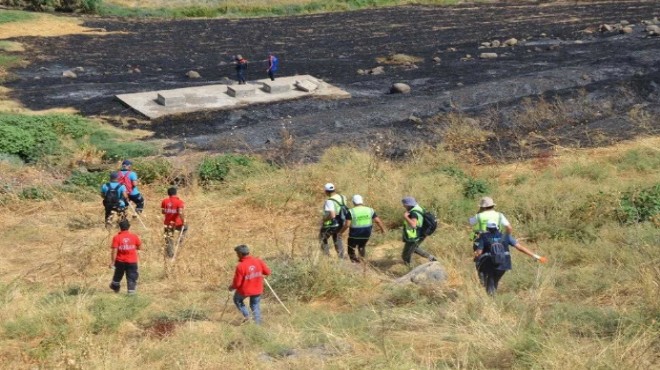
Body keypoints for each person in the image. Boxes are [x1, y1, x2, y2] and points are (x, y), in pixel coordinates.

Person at [474, 221, 547, 295]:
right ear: (498, 228)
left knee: (489, 284)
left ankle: (491, 301)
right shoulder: (506, 236)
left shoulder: (484, 237)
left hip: (490, 265)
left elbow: (479, 252)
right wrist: (537, 257)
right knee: (494, 282)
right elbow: (520, 248)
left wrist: (476, 256)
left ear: (487, 228)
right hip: (504, 264)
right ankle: (492, 296)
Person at [469, 196, 512, 284]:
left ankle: (483, 281)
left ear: (482, 207)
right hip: (497, 242)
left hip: (481, 241)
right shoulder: (500, 215)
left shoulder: (479, 216)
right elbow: (509, 227)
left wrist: (478, 212)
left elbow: (471, 222)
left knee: (479, 261)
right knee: (496, 258)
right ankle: (494, 280)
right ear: (493, 206)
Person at [228, 245, 271, 324]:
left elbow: (237, 284)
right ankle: (257, 325)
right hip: (258, 289)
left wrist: (231, 287)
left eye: (237, 254)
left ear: (240, 254)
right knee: (255, 305)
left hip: (245, 290)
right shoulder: (258, 261)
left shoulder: (240, 266)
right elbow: (267, 272)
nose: (237, 255)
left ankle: (247, 317)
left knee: (237, 300)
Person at [340, 194, 386, 263]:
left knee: (351, 249)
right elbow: (378, 221)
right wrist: (383, 230)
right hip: (366, 234)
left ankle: (355, 263)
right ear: (362, 201)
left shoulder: (351, 211)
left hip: (354, 235)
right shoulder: (370, 210)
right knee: (361, 246)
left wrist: (340, 232)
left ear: (353, 202)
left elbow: (347, 225)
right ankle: (362, 261)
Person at [401, 196, 437, 266]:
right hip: (422, 233)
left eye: (404, 204)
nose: (403, 206)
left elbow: (413, 225)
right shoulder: (419, 208)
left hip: (414, 236)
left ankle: (410, 268)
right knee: (415, 248)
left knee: (405, 256)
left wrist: (405, 217)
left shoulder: (413, 213)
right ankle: (432, 258)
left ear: (408, 204)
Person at [109, 219, 142, 294]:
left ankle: (114, 286)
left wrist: (113, 262)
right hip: (132, 261)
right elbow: (139, 247)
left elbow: (114, 251)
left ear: (120, 227)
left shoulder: (117, 237)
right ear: (129, 227)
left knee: (118, 275)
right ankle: (131, 292)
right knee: (132, 276)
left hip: (120, 261)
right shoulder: (134, 236)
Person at [319, 183, 348, 258]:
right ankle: (341, 257)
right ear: (334, 189)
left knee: (322, 237)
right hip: (342, 222)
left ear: (326, 191)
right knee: (337, 237)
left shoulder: (330, 200)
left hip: (333, 223)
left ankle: (326, 256)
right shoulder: (342, 197)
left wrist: (324, 220)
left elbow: (332, 215)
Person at [161, 187, 187, 258]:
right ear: (176, 193)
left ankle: (170, 254)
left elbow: (163, 211)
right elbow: (180, 212)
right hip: (178, 223)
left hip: (168, 223)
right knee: (185, 228)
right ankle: (180, 243)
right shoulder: (180, 202)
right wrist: (183, 220)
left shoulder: (164, 201)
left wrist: (169, 211)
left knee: (169, 238)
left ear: (168, 194)